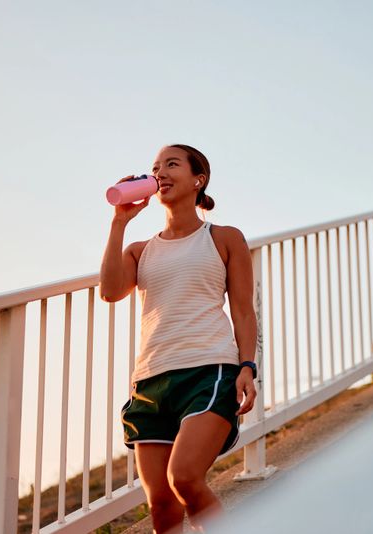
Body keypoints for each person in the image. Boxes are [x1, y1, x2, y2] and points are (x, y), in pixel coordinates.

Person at [99, 144, 258, 533]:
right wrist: (119, 222)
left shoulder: (224, 237)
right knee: (162, 507)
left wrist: (247, 366)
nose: (161, 172)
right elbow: (109, 290)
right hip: (150, 381)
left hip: (208, 371)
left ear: (197, 179)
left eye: (172, 164)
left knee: (184, 477)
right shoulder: (141, 250)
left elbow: (242, 310)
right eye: (156, 168)